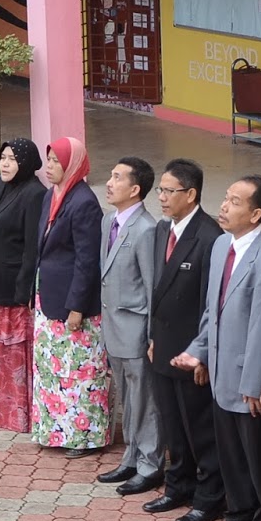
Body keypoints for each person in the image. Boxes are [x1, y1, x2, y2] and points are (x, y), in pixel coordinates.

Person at [174, 176, 261, 521]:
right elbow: (213, 310)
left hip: (246, 379)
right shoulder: (222, 245)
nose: (224, 206)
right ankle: (239, 514)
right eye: (225, 198)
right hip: (220, 371)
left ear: (255, 214)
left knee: (259, 458)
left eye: (235, 202)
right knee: (231, 454)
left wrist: (254, 383)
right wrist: (200, 352)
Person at [142, 159, 224, 521]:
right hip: (163, 344)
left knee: (200, 429)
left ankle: (208, 499)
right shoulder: (164, 230)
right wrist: (153, 337)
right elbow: (157, 289)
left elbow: (210, 303)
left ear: (191, 194)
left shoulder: (209, 237)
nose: (161, 197)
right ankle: (178, 486)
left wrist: (201, 353)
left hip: (191, 351)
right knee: (173, 425)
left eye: (168, 191)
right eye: (160, 190)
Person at [32, 137, 108, 456]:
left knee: (77, 373)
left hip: (72, 303)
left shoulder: (84, 202)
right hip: (49, 297)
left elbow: (87, 260)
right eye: (49, 161)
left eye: (56, 162)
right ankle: (54, 432)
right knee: (52, 370)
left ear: (72, 164)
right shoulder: (53, 195)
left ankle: (84, 436)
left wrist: (76, 305)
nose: (49, 167)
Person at [97, 157, 164, 496]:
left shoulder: (146, 229)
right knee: (127, 397)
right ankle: (131, 457)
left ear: (135, 189)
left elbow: (151, 287)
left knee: (145, 400)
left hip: (135, 328)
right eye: (111, 175)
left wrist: (152, 335)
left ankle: (150, 464)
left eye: (117, 177)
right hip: (114, 326)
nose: (109, 183)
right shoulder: (109, 220)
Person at [0, 138, 46, 433]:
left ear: (26, 163)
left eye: (12, 159)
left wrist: (23, 291)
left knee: (14, 354)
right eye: (3, 157)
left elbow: (31, 248)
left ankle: (19, 415)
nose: (4, 164)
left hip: (12, 290)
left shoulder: (35, 194)